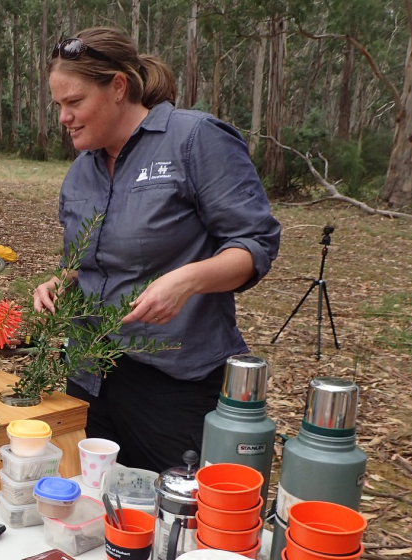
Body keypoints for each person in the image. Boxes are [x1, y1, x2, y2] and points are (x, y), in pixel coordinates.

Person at [33, 28, 280, 473]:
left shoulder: (193, 139)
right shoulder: (80, 172)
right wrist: (60, 281)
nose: (64, 118)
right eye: (59, 106)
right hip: (90, 374)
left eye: (74, 102)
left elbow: (255, 244)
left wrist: (186, 280)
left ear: (118, 88)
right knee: (95, 504)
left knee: (172, 517)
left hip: (174, 382)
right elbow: (92, 264)